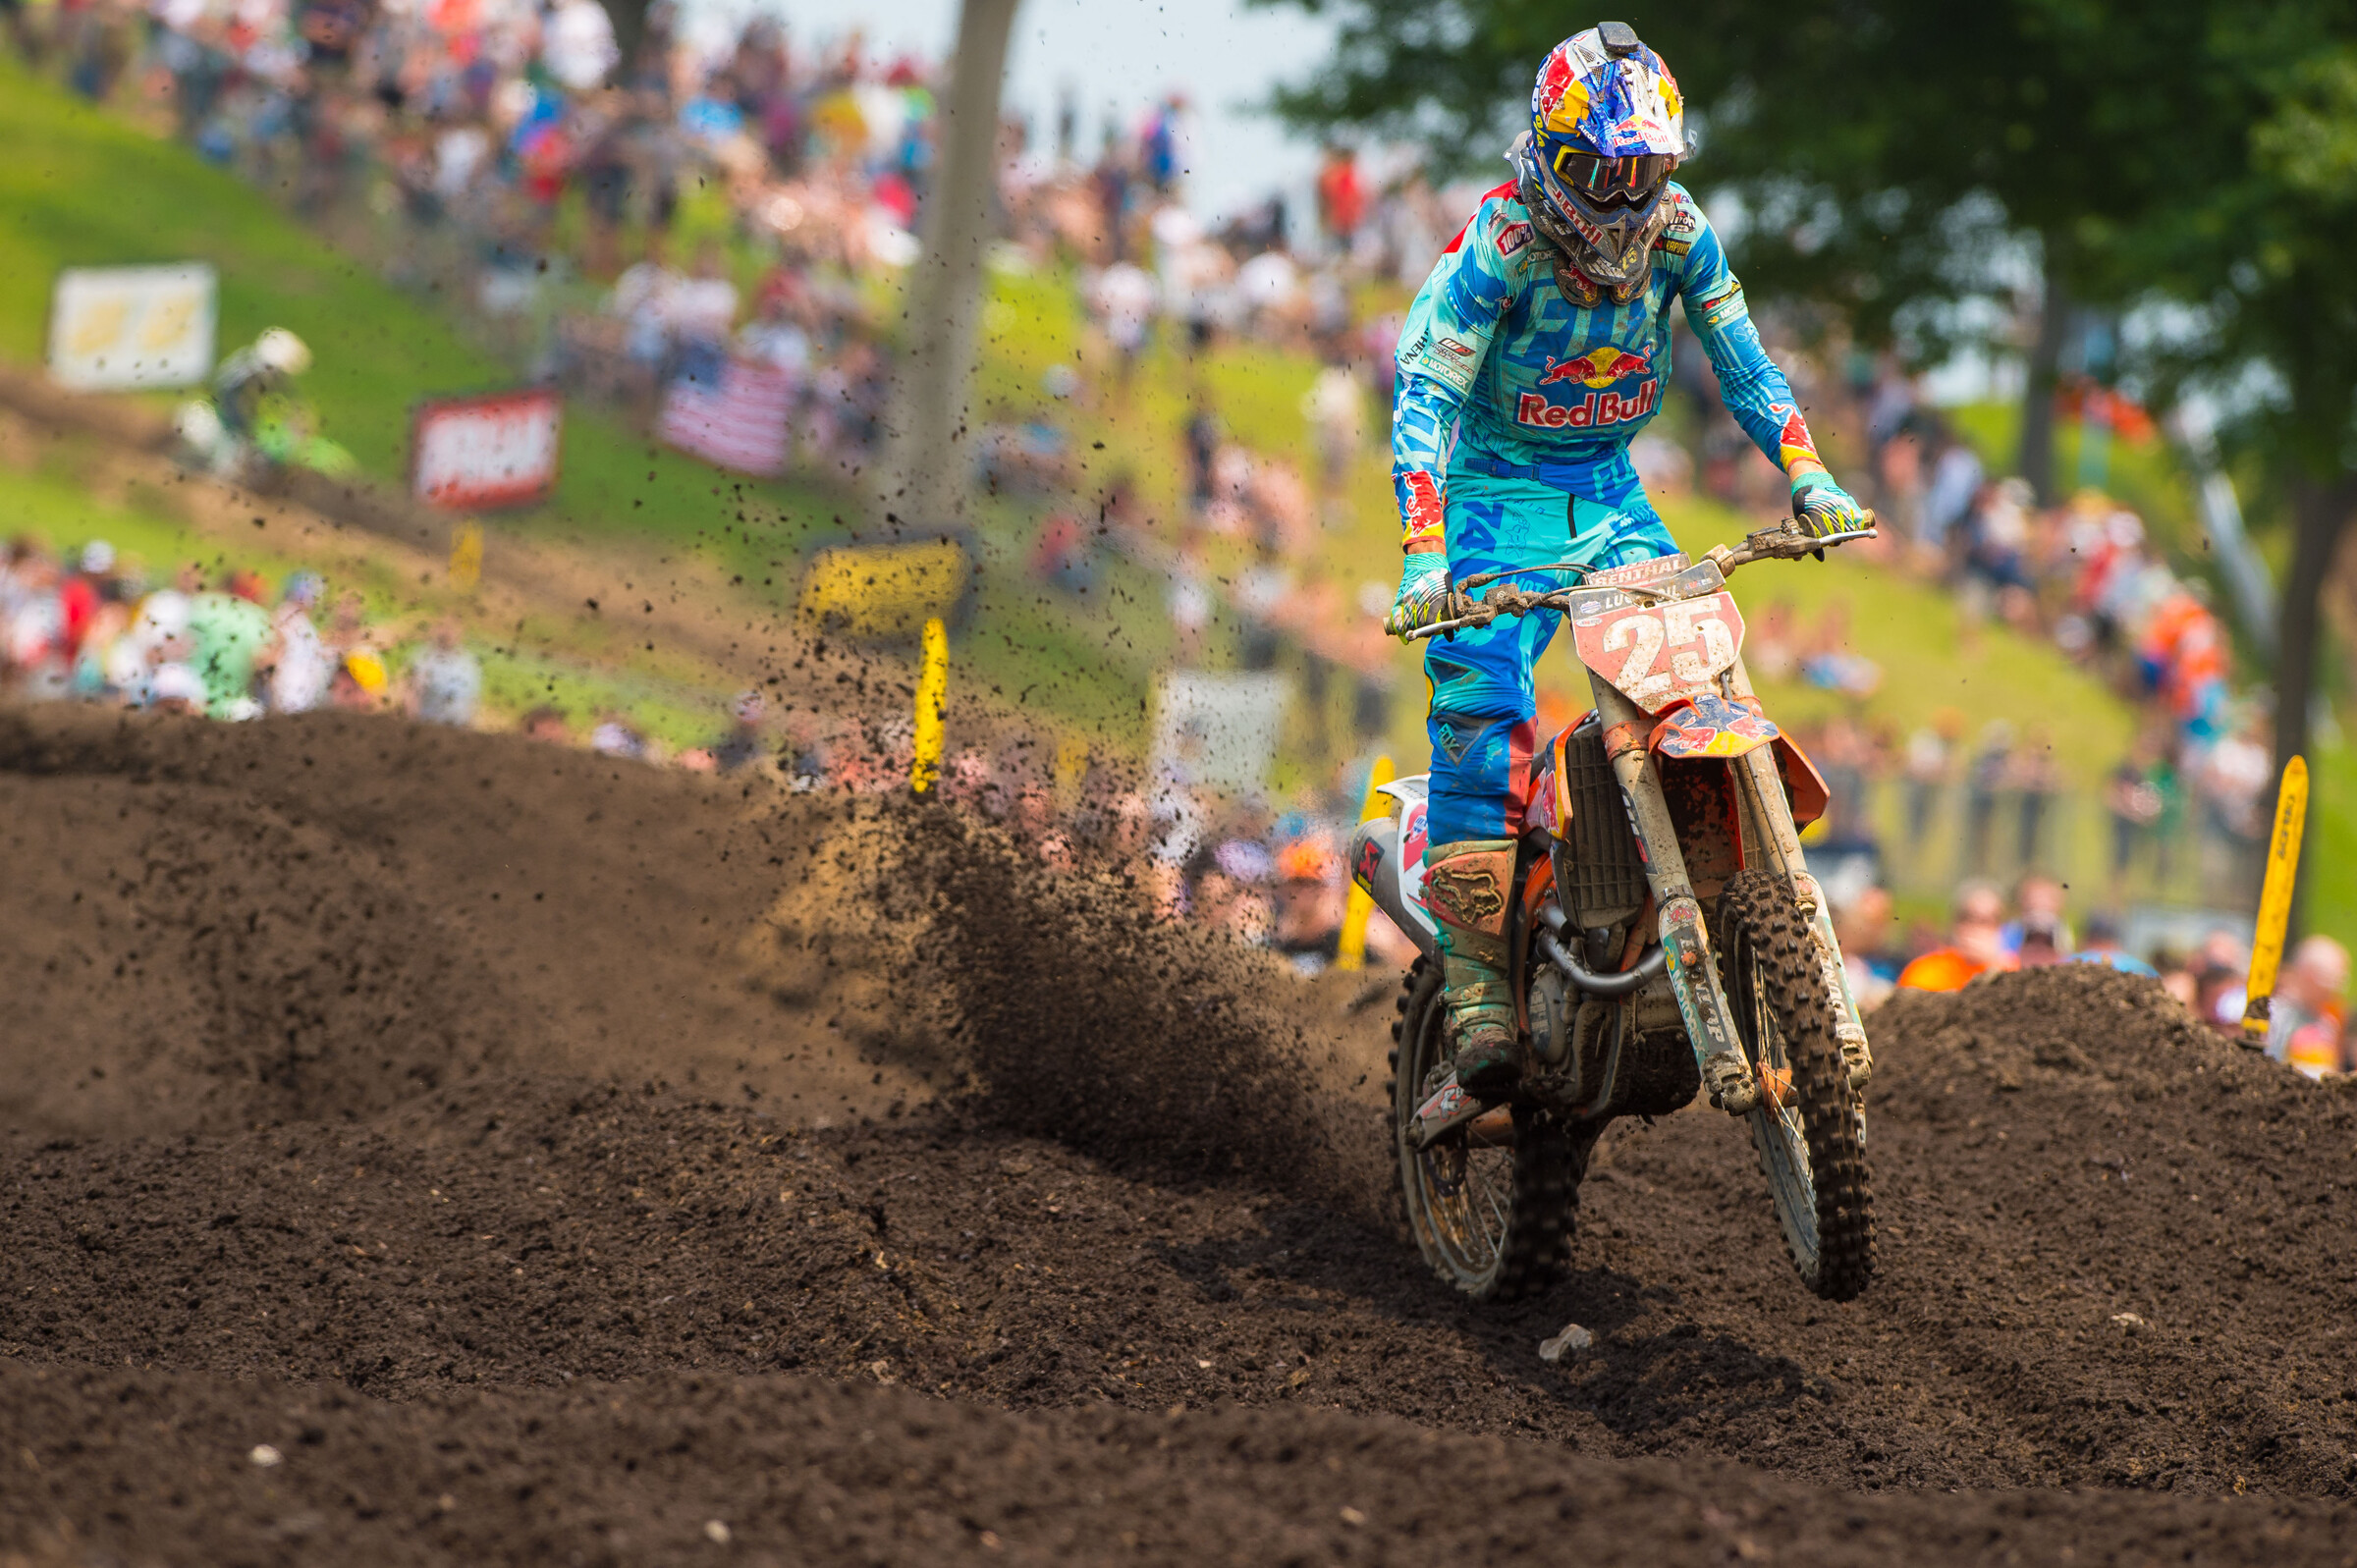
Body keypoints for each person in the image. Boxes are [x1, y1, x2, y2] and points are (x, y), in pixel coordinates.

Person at [1379, 24, 1872, 1105]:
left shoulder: (1681, 233)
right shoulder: (1504, 243)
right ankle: (1475, 986)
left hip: (1610, 496)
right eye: (1600, 169)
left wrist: (1809, 474)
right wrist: (1423, 556)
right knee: (1481, 711)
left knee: (1693, 678)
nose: (1620, 194)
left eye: (1642, 170)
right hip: (1491, 498)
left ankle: (1678, 898)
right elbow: (1426, 395)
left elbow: (1747, 365)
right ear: (1551, 156)